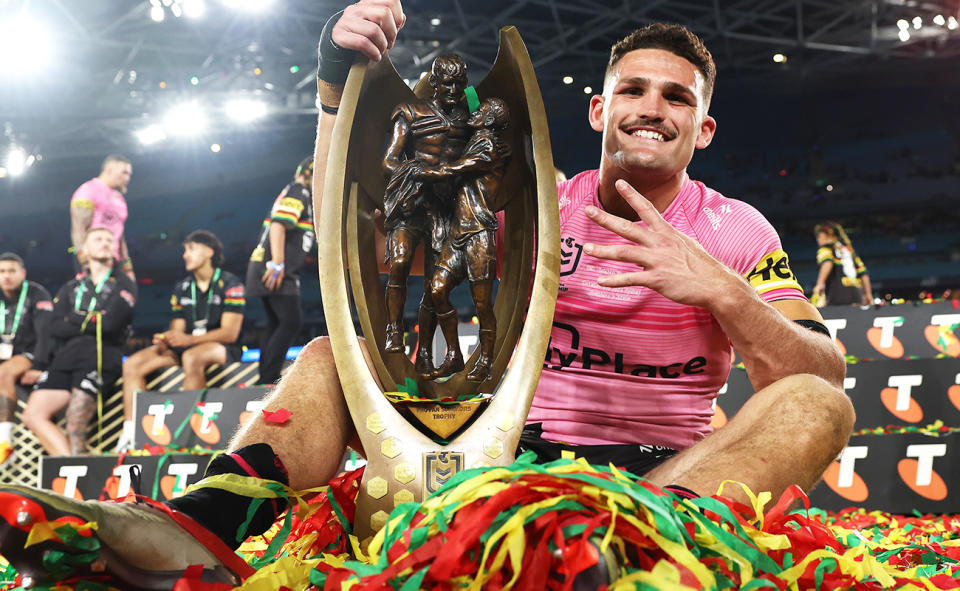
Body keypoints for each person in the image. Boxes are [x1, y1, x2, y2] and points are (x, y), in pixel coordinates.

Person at [0, 1, 853, 585]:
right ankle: (202, 525)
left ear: (701, 128)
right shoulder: (536, 201)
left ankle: (628, 555)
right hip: (495, 467)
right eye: (632, 88)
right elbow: (347, 228)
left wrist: (722, 291)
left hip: (662, 484)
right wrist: (336, 79)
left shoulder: (741, 233)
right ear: (598, 109)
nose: (651, 107)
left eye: (677, 97)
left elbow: (821, 371)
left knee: (818, 401)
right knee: (333, 352)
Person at [116, 231, 245, 451]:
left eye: (191, 249)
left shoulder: (231, 283)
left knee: (192, 356)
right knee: (132, 364)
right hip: (187, 347)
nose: (185, 255)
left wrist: (188, 339)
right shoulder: (182, 287)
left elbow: (230, 333)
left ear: (209, 252)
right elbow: (178, 332)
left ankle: (189, 432)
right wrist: (167, 340)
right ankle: (131, 433)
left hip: (223, 347)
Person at [415, 97, 512, 382]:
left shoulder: (489, 146)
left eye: (482, 112)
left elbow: (454, 168)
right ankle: (454, 356)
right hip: (459, 232)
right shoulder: (477, 138)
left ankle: (485, 359)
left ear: (491, 120)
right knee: (436, 289)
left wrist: (421, 170)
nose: (476, 112)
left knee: (482, 304)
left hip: (479, 234)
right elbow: (474, 104)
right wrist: (471, 96)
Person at [381, 53, 471, 357]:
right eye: (447, 84)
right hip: (412, 204)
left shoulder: (467, 117)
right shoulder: (409, 112)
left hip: (445, 210)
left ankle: (423, 353)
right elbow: (390, 160)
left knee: (436, 286)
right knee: (400, 262)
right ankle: (394, 329)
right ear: (433, 82)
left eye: (459, 85)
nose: (453, 91)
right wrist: (417, 171)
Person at [21, 227, 136, 457]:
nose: (104, 243)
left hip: (102, 353)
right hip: (68, 355)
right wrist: (93, 318)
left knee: (75, 425)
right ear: (85, 249)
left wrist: (74, 317)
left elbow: (111, 324)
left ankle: (76, 485)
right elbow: (54, 325)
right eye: (98, 239)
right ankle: (68, 470)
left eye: (108, 240)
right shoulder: (71, 286)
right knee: (32, 414)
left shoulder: (125, 282)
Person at [245, 159, 314, 386]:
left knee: (277, 322)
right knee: (290, 321)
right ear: (308, 174)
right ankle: (268, 378)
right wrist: (277, 263)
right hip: (273, 268)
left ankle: (266, 378)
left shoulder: (297, 192)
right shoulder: (299, 191)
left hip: (265, 265)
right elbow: (278, 225)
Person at [0, 253, 53, 466]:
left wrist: (39, 365)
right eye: (2, 272)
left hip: (30, 354)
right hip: (5, 355)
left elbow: (46, 335)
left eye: (12, 271)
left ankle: (4, 440)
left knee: (4, 372)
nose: (7, 276)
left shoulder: (37, 293)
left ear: (23, 273)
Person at [70, 155, 135, 281]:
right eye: (124, 173)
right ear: (109, 170)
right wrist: (84, 261)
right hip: (93, 260)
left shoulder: (119, 198)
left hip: (113, 260)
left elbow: (120, 235)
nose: (127, 178)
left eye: (129, 174)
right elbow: (78, 229)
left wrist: (128, 267)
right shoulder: (88, 191)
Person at [812, 221, 872, 307]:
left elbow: (827, 263)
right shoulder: (850, 251)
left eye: (818, 237)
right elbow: (864, 274)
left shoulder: (826, 249)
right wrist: (868, 294)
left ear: (824, 235)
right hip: (857, 295)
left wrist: (819, 284)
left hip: (837, 296)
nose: (817, 240)